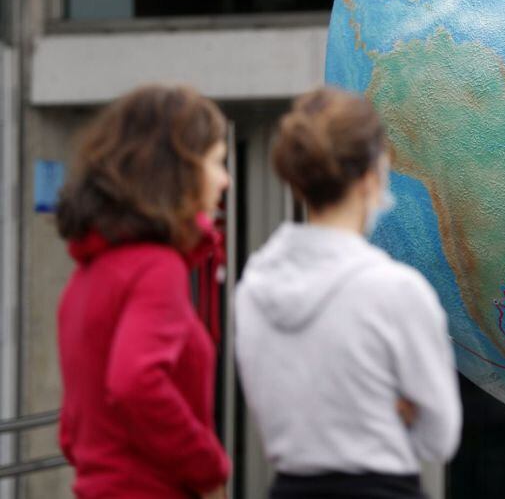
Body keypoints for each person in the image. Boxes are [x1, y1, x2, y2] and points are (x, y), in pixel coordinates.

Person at [235, 87, 461, 499]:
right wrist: (390, 408)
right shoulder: (396, 292)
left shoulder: (253, 288)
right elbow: (439, 437)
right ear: (370, 177)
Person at [55, 84, 232, 498]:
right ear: (179, 171)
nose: (224, 181)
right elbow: (135, 380)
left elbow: (71, 429)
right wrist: (209, 467)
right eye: (216, 163)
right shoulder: (157, 269)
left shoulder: (89, 273)